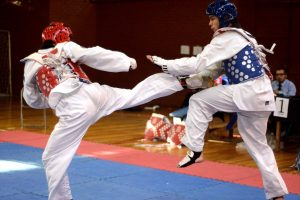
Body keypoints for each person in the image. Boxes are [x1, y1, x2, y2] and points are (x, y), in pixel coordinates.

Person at [21, 22, 185, 200]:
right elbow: (93, 53)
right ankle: (179, 81)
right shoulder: (65, 47)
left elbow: (31, 98)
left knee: (52, 158)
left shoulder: (31, 62)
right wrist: (125, 62)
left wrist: (51, 99)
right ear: (62, 37)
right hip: (94, 93)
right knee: (133, 95)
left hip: (74, 107)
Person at [147, 0, 288, 199]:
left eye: (212, 19)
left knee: (198, 101)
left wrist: (164, 64)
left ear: (224, 19)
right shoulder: (246, 37)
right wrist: (188, 82)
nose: (210, 24)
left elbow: (198, 63)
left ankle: (195, 149)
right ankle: (276, 194)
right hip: (263, 97)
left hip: (248, 92)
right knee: (260, 148)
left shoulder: (227, 36)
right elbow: (213, 71)